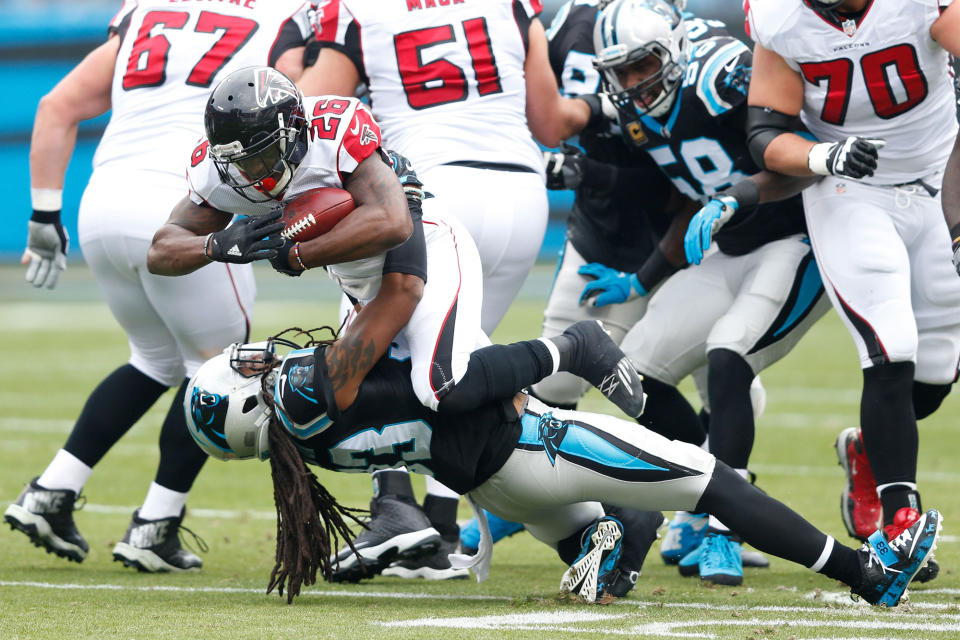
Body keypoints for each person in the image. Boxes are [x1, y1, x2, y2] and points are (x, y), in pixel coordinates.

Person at [145, 65, 647, 581]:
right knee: (450, 399)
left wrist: (298, 252)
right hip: (358, 279)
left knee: (441, 385)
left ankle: (572, 351)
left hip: (418, 249)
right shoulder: (219, 170)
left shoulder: (334, 126)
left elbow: (390, 220)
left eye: (264, 153)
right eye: (240, 161)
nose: (254, 172)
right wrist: (218, 244)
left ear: (293, 129)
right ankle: (601, 515)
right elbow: (161, 249)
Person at [183, 327, 941, 608]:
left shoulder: (302, 449)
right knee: (711, 481)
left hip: (495, 481)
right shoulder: (308, 394)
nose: (263, 361)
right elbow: (453, 391)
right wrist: (561, 354)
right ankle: (865, 575)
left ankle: (606, 539)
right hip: (533, 443)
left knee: (602, 545)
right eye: (249, 376)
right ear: (256, 410)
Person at [294, 0, 615, 580]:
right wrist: (594, 106)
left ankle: (395, 504)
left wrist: (293, 51)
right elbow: (549, 121)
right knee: (456, 370)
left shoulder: (357, 11)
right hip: (520, 194)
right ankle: (439, 526)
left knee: (374, 353)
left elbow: (306, 115)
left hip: (429, 193)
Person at [5, 0, 313, 572]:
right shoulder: (286, 16)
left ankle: (53, 489)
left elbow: (56, 105)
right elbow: (307, 110)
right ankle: (155, 525)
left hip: (103, 200)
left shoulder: (149, 9)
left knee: (152, 359)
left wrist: (44, 213)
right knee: (217, 367)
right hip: (186, 206)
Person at [569, 0, 834, 585]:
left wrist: (735, 197)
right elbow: (695, 188)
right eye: (622, 73)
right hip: (732, 248)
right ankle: (708, 486)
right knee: (634, 371)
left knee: (728, 354)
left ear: (675, 50)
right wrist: (641, 278)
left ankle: (726, 529)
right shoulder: (644, 115)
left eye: (645, 66)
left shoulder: (722, 74)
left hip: (797, 239)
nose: (635, 84)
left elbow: (801, 155)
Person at [745, 0, 960, 583]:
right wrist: (822, 153)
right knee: (890, 346)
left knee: (937, 372)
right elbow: (765, 130)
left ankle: (867, 452)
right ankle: (899, 522)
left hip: (944, 175)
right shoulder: (781, 17)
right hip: (851, 187)